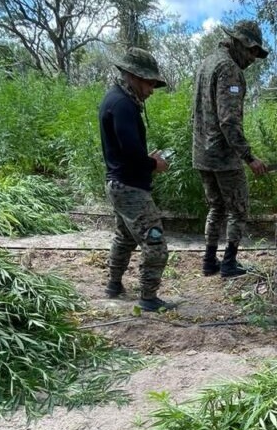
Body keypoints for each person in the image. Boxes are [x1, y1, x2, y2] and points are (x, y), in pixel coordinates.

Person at [99, 47, 175, 312]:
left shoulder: (116, 99)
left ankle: (114, 285)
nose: (152, 89)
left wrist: (146, 159)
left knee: (125, 238)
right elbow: (131, 154)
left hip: (118, 184)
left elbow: (126, 149)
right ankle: (148, 298)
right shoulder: (123, 105)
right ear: (133, 75)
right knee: (155, 244)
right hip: (130, 188)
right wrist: (154, 163)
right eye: (150, 82)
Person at [192, 20, 269, 278]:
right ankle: (229, 264)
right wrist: (249, 157)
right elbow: (229, 121)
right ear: (238, 43)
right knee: (238, 209)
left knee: (216, 208)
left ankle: (208, 261)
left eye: (256, 54)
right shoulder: (229, 69)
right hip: (223, 156)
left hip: (202, 153)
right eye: (250, 51)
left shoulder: (207, 63)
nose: (252, 58)